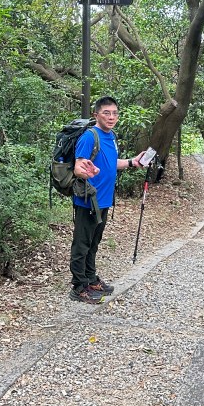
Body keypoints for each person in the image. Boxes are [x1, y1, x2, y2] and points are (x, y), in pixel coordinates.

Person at [69, 96, 146, 304]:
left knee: (94, 242)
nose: (111, 117)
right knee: (82, 244)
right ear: (96, 115)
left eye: (114, 113)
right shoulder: (89, 137)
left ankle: (90, 278)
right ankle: (78, 287)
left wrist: (132, 162)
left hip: (103, 200)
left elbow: (112, 162)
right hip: (88, 200)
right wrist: (87, 172)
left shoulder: (111, 136)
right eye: (106, 113)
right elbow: (78, 167)